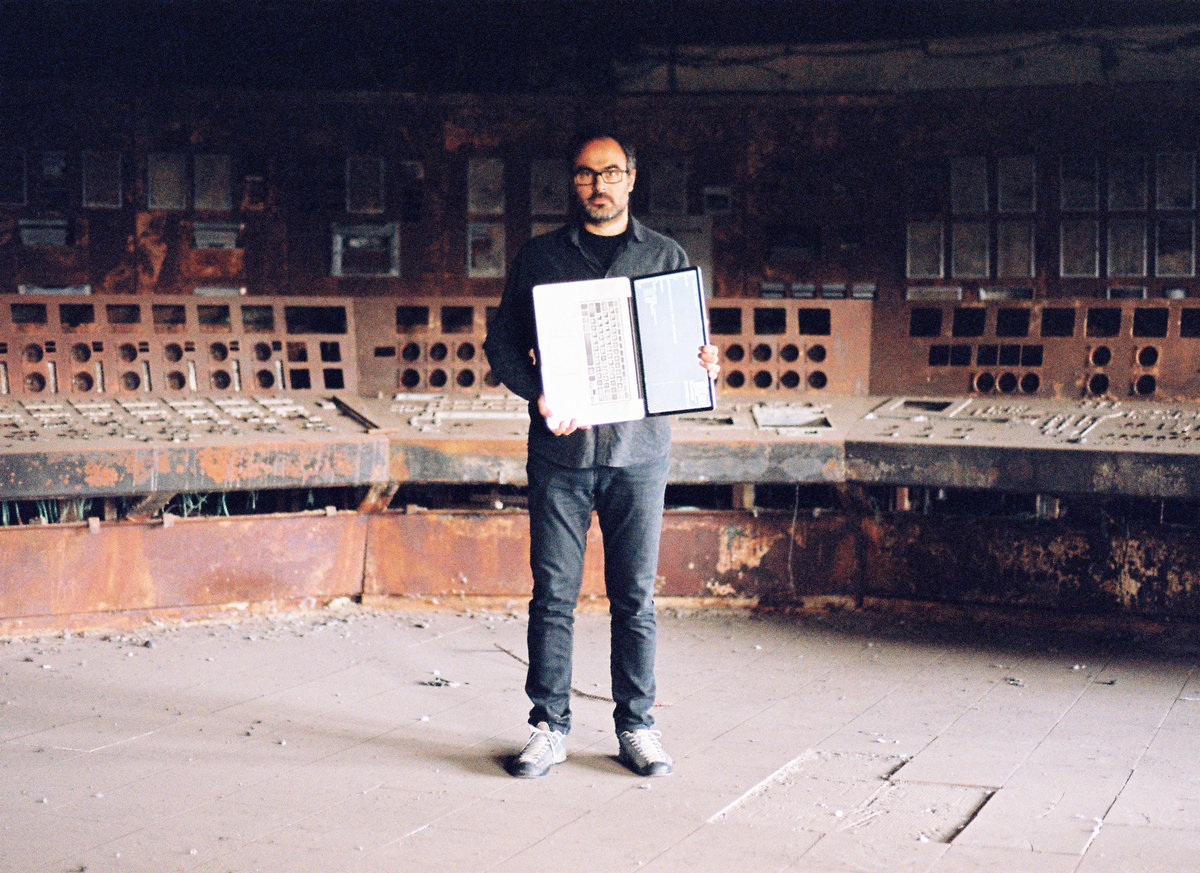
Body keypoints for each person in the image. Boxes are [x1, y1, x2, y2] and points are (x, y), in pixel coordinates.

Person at [484, 131, 721, 779]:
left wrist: (704, 363)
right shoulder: (541, 256)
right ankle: (548, 726)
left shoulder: (665, 256)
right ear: (573, 182)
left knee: (634, 597)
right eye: (587, 174)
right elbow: (501, 343)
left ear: (631, 179)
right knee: (553, 594)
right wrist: (538, 393)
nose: (599, 185)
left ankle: (637, 725)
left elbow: (685, 348)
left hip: (639, 453)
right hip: (560, 451)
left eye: (611, 172)